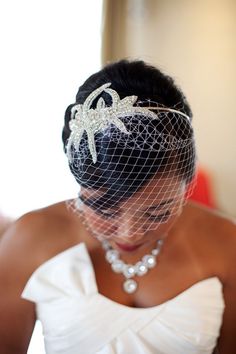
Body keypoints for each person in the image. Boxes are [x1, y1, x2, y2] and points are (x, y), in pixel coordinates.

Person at [0, 60, 235, 354]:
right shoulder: (28, 239)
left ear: (187, 187)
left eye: (158, 212)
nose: (130, 233)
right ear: (80, 181)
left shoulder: (227, 244)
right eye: (104, 208)